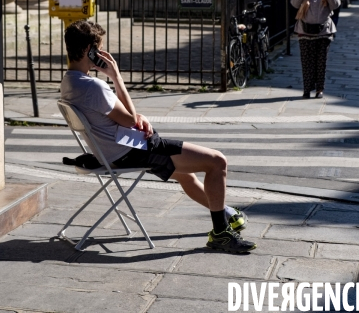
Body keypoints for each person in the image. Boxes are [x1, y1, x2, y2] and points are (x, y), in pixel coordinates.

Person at [60, 20, 256, 254]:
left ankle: (225, 213)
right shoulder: (94, 87)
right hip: (134, 151)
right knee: (217, 161)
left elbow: (120, 116)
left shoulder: (69, 82)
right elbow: (130, 119)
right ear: (88, 51)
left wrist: (135, 116)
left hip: (113, 152)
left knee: (187, 175)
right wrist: (116, 77)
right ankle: (221, 234)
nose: (103, 54)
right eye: (99, 48)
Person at [291, 0, 340, 99]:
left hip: (324, 33)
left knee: (321, 63)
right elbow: (294, 3)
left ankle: (319, 89)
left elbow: (336, 5)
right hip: (305, 32)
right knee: (307, 62)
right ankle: (307, 89)